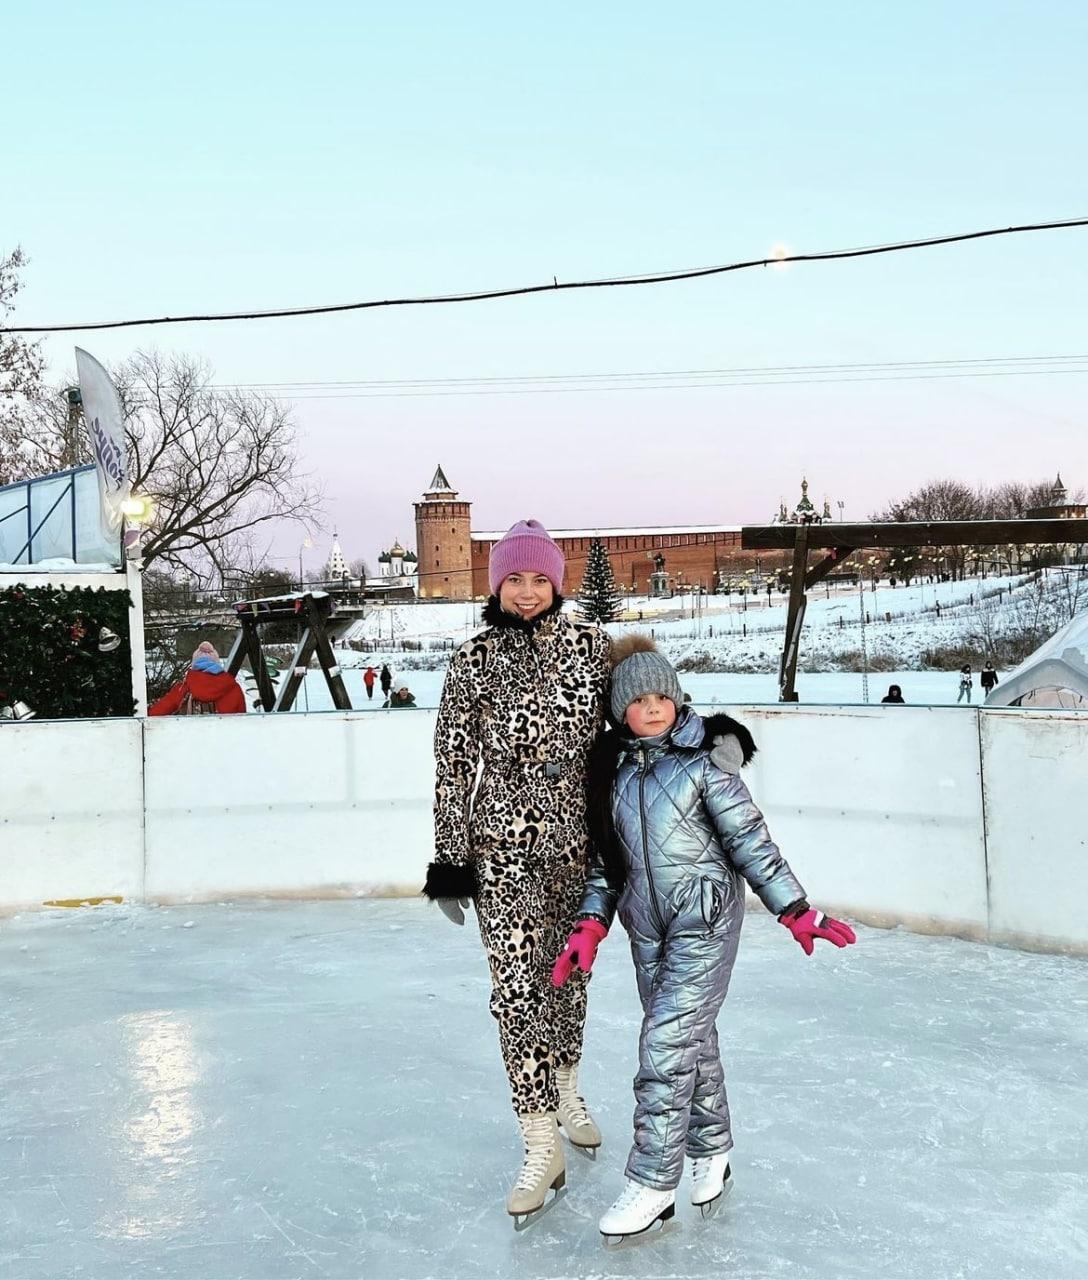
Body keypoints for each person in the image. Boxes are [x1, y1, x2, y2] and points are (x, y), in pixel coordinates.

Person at [555, 636, 855, 1239]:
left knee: (665, 1042)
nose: (655, 706)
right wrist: (591, 924)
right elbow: (605, 867)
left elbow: (750, 839)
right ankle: (712, 1149)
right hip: (647, 926)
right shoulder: (611, 775)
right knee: (695, 1043)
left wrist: (793, 908)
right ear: (620, 711)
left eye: (663, 693)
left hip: (706, 920)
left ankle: (651, 1182)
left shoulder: (702, 764)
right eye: (639, 698)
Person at [423, 519, 611, 1222]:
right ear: (495, 583)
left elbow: (641, 724)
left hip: (581, 846)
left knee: (569, 979)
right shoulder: (472, 660)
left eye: (540, 580)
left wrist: (707, 744)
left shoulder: (592, 649)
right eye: (514, 580)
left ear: (555, 584)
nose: (528, 593)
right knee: (513, 992)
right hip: (501, 845)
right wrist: (450, 860)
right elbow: (452, 766)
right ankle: (539, 1139)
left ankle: (566, 1087)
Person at [148, 641, 246, 716]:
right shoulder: (233, 688)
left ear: (194, 665)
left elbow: (155, 713)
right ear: (217, 664)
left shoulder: (182, 689)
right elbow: (244, 723)